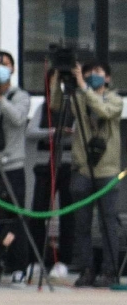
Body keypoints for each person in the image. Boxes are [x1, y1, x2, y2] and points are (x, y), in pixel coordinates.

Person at [0, 50, 41, 280]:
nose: (0, 69)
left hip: (13, 165)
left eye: (5, 65)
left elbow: (17, 119)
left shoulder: (19, 95)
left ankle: (18, 266)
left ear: (13, 69)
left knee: (15, 217)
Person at [63, 60, 122, 287]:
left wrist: (84, 88)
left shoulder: (115, 100)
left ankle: (109, 270)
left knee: (108, 223)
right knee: (82, 224)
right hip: (82, 169)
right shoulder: (79, 96)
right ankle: (86, 268)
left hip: (107, 170)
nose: (91, 76)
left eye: (97, 73)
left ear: (107, 78)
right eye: (88, 73)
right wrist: (62, 80)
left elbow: (103, 110)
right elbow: (58, 107)